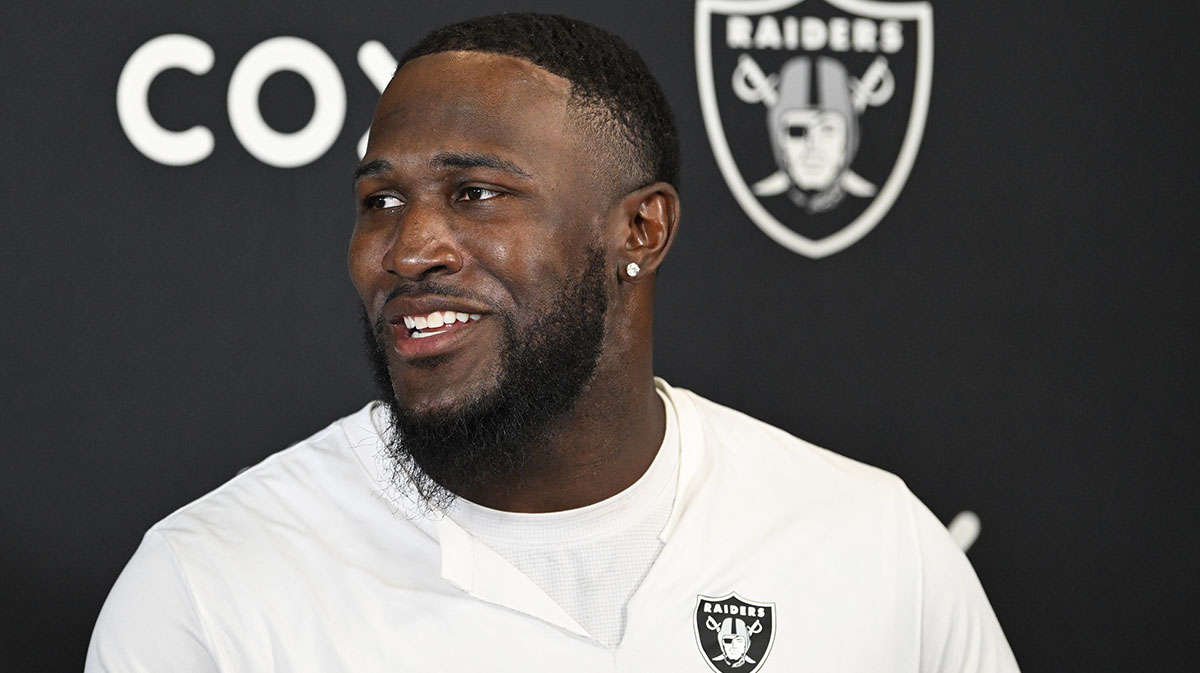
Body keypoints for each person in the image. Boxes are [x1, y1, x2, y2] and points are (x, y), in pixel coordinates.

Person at [86, 13, 1019, 672]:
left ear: (640, 231)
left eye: (476, 193)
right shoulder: (208, 585)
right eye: (380, 202)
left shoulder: (871, 542)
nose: (409, 248)